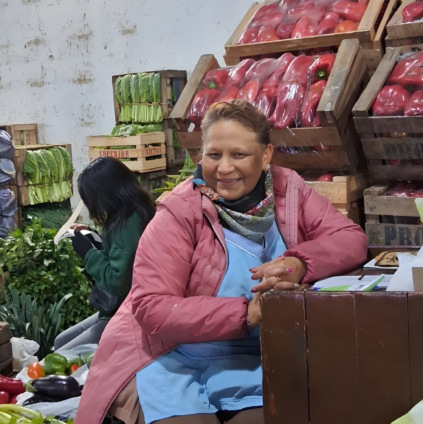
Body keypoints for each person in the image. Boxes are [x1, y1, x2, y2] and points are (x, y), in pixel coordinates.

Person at [77, 100, 369, 424]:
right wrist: (247, 311)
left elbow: (350, 239)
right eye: (214, 155)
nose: (224, 168)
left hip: (261, 356)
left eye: (239, 155)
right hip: (176, 356)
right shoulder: (179, 212)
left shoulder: (289, 193)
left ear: (266, 155)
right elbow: (152, 307)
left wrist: (299, 263)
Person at [53, 156, 156, 352]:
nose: (92, 210)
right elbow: (121, 256)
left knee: (63, 352)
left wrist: (89, 253)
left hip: (127, 311)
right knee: (60, 341)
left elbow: (117, 281)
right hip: (120, 306)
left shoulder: (129, 223)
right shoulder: (129, 213)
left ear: (106, 196)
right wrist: (95, 240)